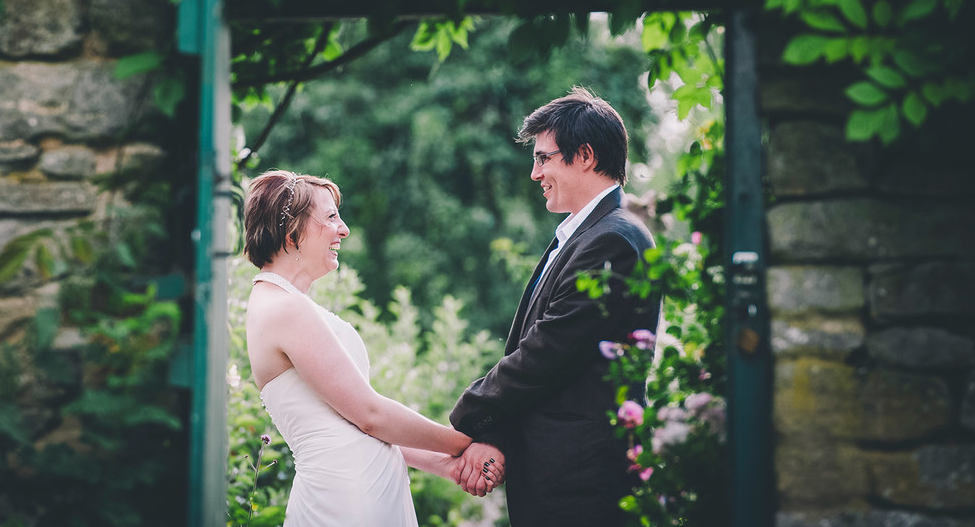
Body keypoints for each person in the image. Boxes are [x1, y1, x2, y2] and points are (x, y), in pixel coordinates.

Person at [450, 86, 662, 526]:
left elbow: (549, 352)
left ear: (584, 155)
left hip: (582, 485)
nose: (534, 173)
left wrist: (468, 418)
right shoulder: (586, 234)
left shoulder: (614, 240)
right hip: (561, 476)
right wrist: (497, 433)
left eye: (543, 157)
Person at [243, 169, 502, 527]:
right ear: (292, 233)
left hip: (358, 488)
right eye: (331, 217)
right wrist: (466, 445)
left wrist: (448, 465)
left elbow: (358, 423)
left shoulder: (281, 303)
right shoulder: (285, 308)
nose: (344, 229)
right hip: (348, 499)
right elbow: (370, 415)